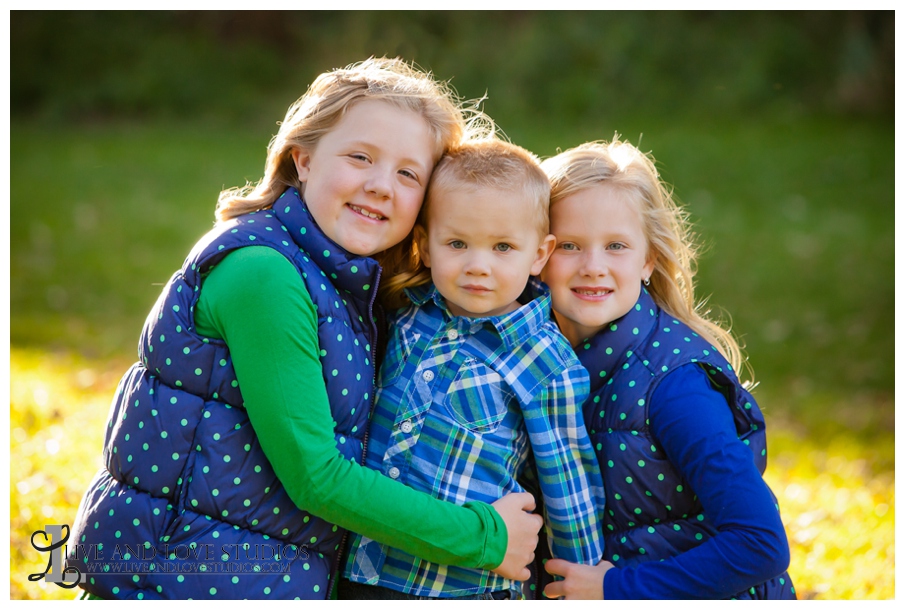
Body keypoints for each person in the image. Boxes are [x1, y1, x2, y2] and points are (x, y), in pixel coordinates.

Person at [66, 58, 543, 600]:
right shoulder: (263, 273)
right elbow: (317, 477)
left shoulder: (351, 282)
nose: (381, 185)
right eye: (360, 156)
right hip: (183, 577)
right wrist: (485, 538)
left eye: (409, 173)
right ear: (305, 159)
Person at [338, 139, 606, 600]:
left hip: (463, 584)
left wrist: (576, 581)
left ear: (540, 254)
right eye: (457, 243)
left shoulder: (545, 362)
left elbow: (567, 481)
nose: (477, 266)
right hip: (366, 568)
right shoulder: (404, 318)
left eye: (503, 247)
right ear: (424, 245)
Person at [538, 139, 796, 600]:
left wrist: (617, 587)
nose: (593, 267)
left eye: (616, 245)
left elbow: (760, 544)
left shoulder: (675, 386)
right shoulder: (538, 362)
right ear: (538, 254)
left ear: (647, 260)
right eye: (570, 246)